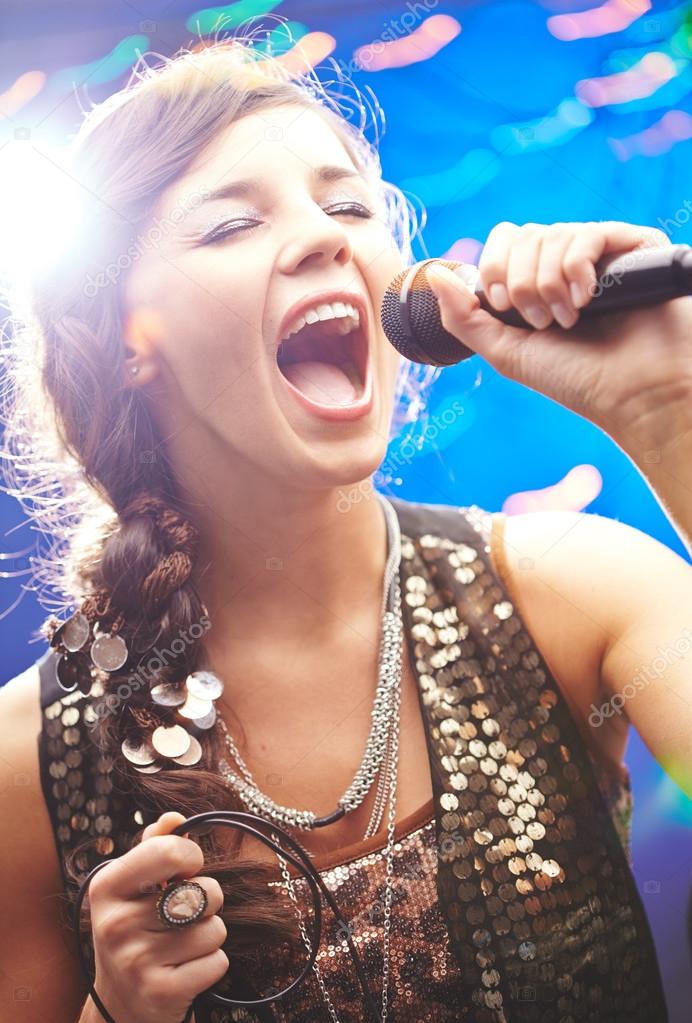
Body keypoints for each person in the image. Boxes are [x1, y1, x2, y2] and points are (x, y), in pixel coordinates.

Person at [1, 33, 690, 1023]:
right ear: (124, 341)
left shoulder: (573, 592)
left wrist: (669, 414)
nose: (326, 237)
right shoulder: (26, 763)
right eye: (229, 225)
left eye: (349, 205)